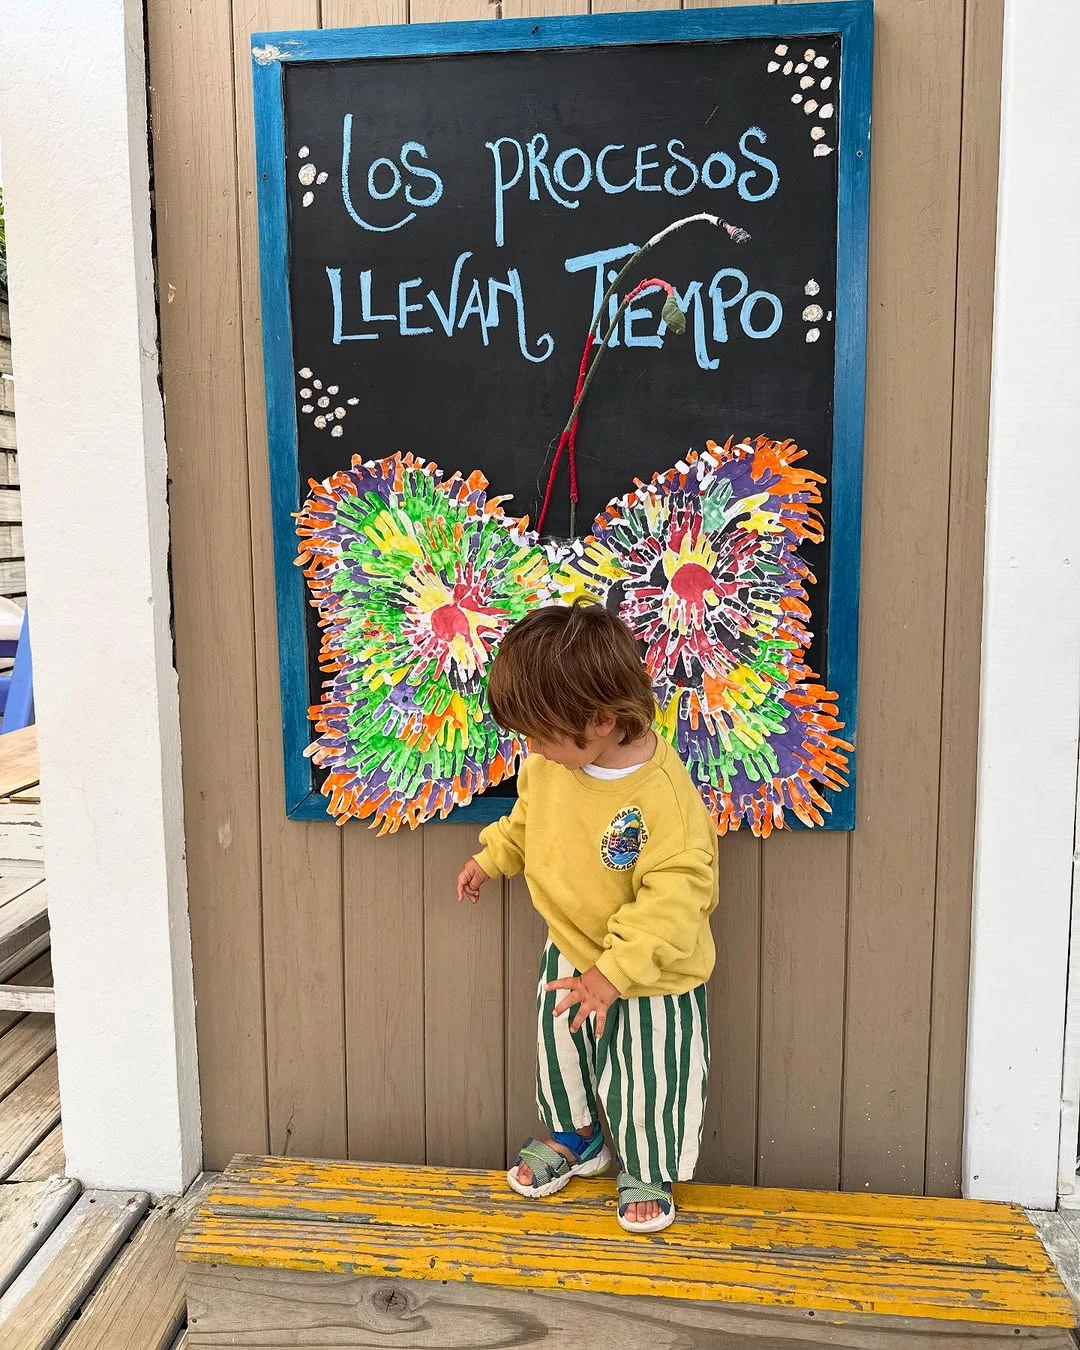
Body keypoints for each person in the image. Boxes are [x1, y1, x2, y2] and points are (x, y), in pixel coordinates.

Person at [456, 602, 718, 1233]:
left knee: (648, 1070)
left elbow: (674, 902)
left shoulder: (662, 801)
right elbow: (530, 821)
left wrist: (615, 974)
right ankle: (577, 1137)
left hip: (652, 972)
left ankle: (646, 1166)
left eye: (541, 734)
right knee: (561, 1049)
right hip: (573, 945)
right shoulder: (550, 764)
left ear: (602, 720)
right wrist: (493, 858)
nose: (531, 748)